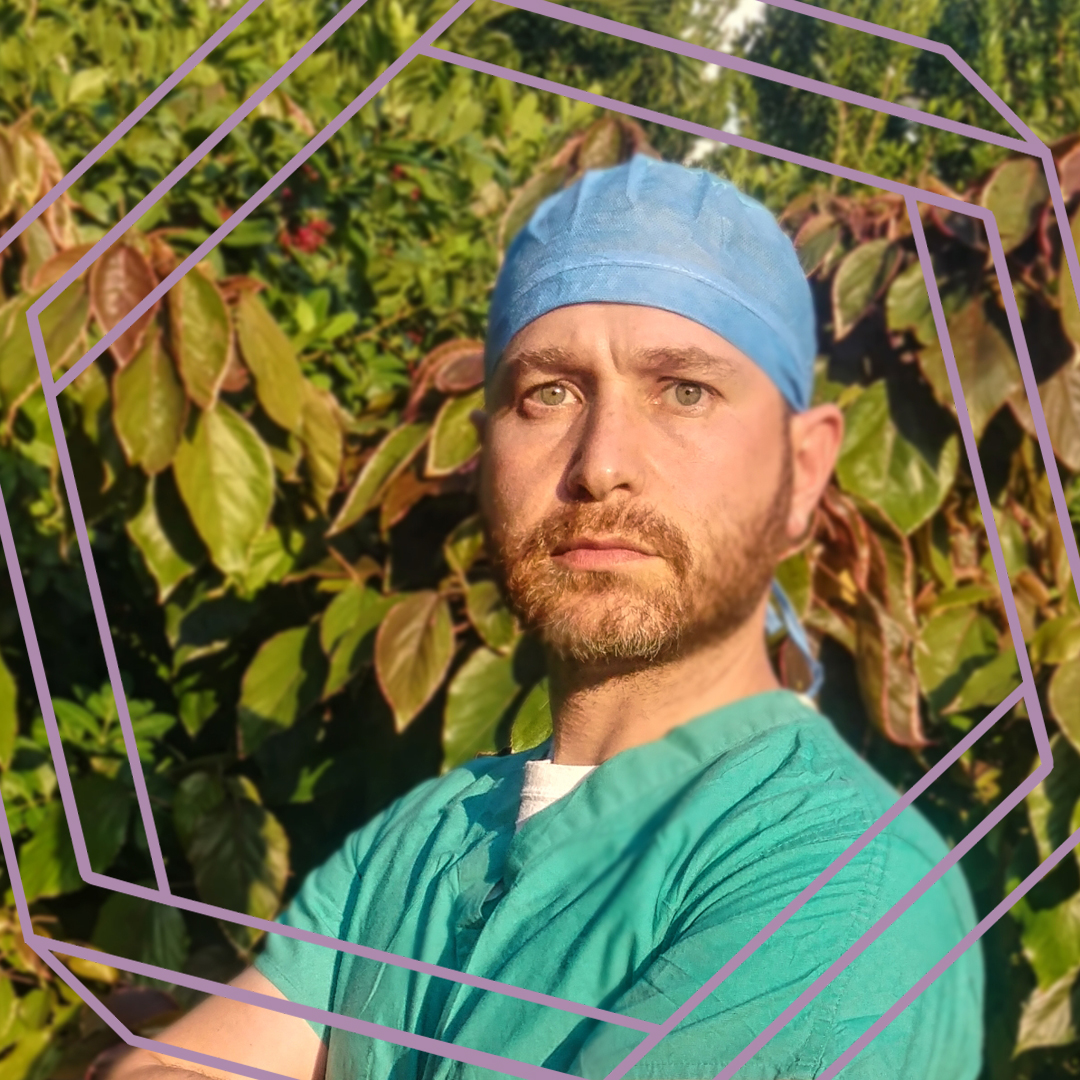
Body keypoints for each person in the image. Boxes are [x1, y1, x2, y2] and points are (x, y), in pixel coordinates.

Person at [109, 154, 984, 1080]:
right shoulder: (429, 834)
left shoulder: (841, 888)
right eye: (548, 394)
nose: (601, 462)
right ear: (489, 454)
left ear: (801, 470)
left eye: (684, 390)